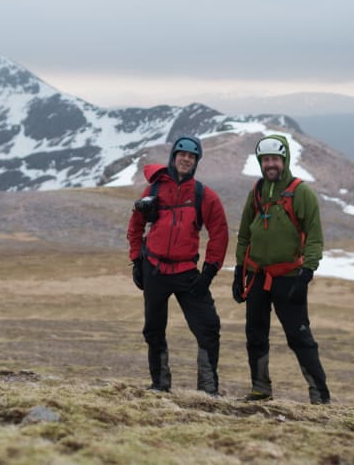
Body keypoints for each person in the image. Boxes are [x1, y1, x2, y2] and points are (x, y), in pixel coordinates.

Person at [232, 133, 331, 404]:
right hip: (256, 277)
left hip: (289, 278)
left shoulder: (302, 193)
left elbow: (314, 237)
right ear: (260, 162)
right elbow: (243, 236)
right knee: (255, 334)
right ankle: (260, 389)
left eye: (275, 159)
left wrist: (306, 274)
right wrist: (239, 271)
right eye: (265, 160)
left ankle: (320, 395)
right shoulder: (255, 193)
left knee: (299, 337)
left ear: (284, 160)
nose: (270, 164)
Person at [127, 135, 229, 395]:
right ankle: (160, 384)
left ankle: (208, 390)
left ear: (196, 162)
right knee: (153, 329)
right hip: (154, 269)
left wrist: (209, 271)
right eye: (182, 154)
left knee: (208, 327)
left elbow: (219, 232)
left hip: (186, 273)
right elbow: (136, 224)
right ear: (173, 157)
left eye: (192, 157)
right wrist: (136, 260)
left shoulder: (204, 195)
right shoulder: (154, 190)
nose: (186, 159)